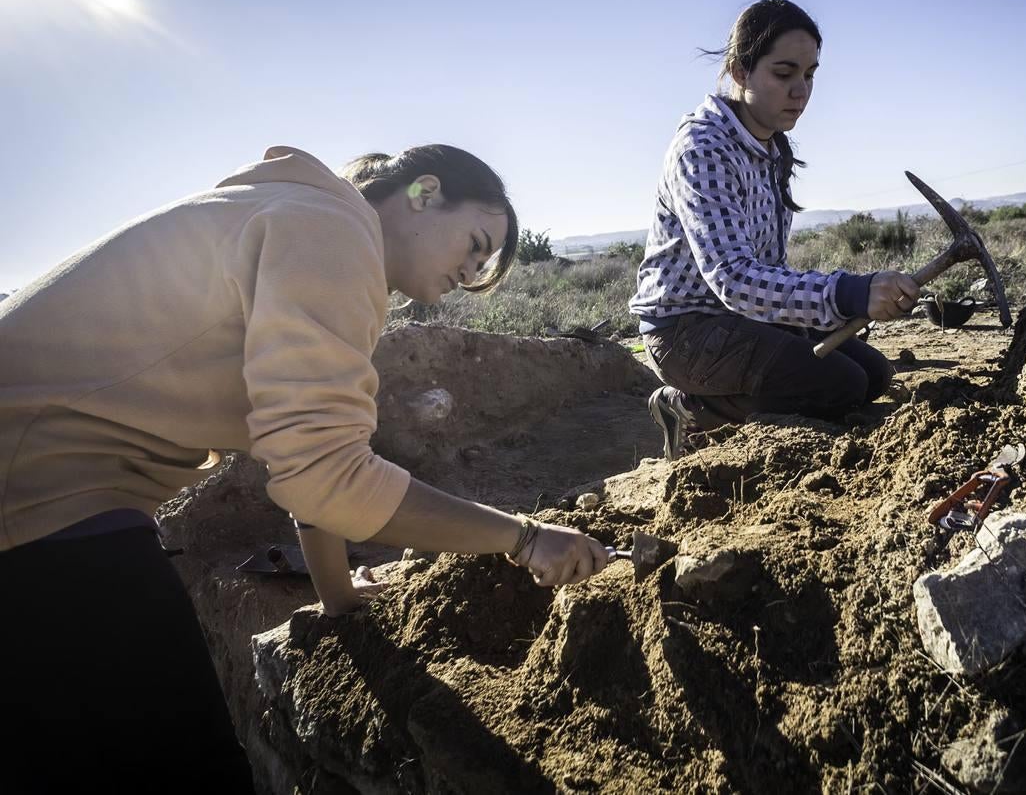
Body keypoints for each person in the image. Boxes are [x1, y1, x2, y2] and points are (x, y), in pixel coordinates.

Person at [0, 144, 611, 792]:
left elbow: (306, 461)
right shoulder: (331, 231)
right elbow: (330, 475)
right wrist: (525, 539)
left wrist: (339, 597)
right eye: (475, 243)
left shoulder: (298, 217)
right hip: (36, 500)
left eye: (484, 266)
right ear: (424, 193)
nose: (471, 271)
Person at [629, 0, 920, 460]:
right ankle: (688, 408)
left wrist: (828, 312)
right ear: (741, 70)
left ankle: (736, 398)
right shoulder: (702, 148)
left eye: (810, 75)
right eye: (784, 74)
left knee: (874, 375)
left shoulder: (773, 148)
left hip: (743, 319)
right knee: (840, 385)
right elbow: (734, 278)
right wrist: (846, 293)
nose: (800, 91)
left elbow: (771, 268)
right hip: (686, 331)